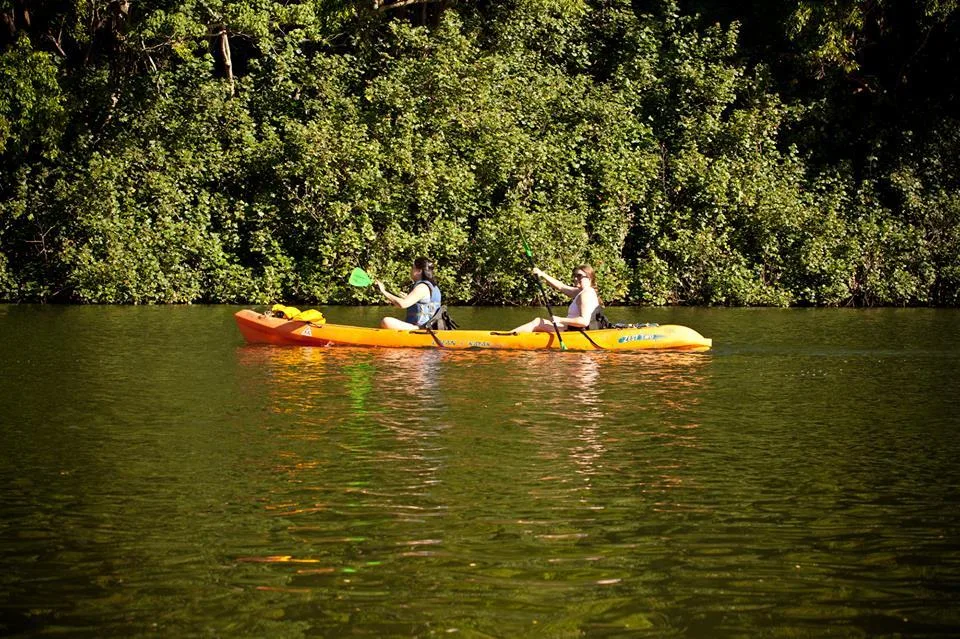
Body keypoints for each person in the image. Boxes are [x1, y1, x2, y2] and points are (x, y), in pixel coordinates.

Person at [511, 264, 600, 333]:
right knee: (541, 323)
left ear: (589, 277)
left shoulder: (586, 294)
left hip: (576, 332)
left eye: (579, 276)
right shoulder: (581, 292)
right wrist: (542, 274)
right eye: (574, 275)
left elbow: (584, 321)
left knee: (538, 322)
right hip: (571, 329)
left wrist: (560, 319)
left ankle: (508, 336)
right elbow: (561, 286)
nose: (576, 278)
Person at [376, 257, 442, 330]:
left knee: (386, 321)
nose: (411, 271)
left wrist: (383, 291)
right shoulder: (433, 286)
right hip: (427, 327)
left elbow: (402, 304)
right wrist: (408, 297)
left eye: (413, 268)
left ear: (419, 271)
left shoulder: (422, 287)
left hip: (422, 328)